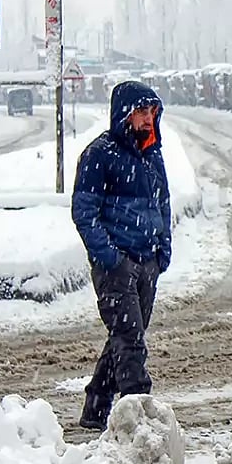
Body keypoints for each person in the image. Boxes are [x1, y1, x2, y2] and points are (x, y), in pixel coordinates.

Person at [72, 81, 172, 431]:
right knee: (130, 343)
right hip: (116, 266)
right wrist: (111, 258)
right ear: (124, 114)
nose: (147, 119)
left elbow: (163, 203)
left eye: (151, 112)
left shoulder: (152, 154)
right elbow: (84, 213)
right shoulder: (99, 155)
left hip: (148, 262)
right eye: (141, 112)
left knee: (126, 336)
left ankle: (95, 409)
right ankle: (139, 419)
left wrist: (163, 250)